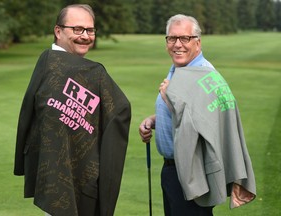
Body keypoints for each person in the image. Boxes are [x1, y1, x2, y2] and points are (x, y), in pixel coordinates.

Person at [14, 4, 131, 216]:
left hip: (56, 174)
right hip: (61, 175)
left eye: (90, 30)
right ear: (58, 31)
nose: (85, 36)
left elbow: (119, 111)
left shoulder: (47, 60)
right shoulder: (90, 72)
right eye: (77, 29)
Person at [139, 14, 256, 216]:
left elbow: (199, 125)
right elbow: (195, 114)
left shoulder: (200, 74)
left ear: (198, 42)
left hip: (192, 172)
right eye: (172, 38)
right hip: (177, 171)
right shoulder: (183, 69)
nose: (178, 45)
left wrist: (169, 99)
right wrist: (154, 120)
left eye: (185, 38)